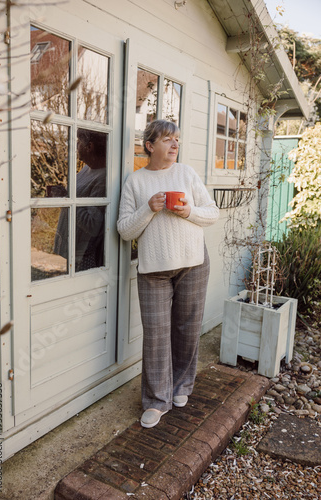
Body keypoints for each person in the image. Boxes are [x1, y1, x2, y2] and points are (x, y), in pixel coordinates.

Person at [117, 119, 219, 428]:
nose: (175, 145)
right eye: (167, 140)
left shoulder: (186, 173)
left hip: (193, 262)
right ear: (150, 146)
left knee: (187, 328)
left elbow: (212, 212)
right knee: (157, 335)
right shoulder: (135, 182)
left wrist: (188, 212)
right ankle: (156, 400)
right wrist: (148, 208)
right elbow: (124, 231)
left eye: (177, 140)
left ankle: (180, 387)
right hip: (153, 270)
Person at [54, 129, 106, 271]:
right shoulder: (86, 169)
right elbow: (76, 198)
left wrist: (67, 200)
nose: (76, 146)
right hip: (74, 249)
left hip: (85, 255)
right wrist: (64, 194)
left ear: (89, 147)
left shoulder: (103, 178)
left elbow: (93, 224)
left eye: (78, 142)